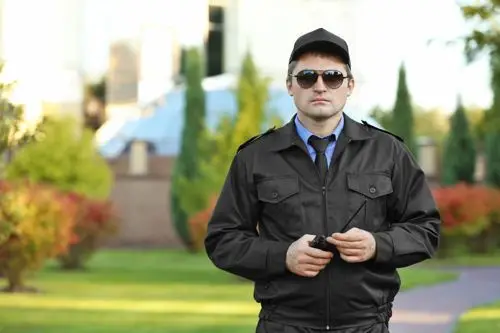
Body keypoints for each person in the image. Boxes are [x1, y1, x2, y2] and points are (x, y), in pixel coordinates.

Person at [204, 27, 441, 333]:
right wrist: (283, 256)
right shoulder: (256, 156)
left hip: (365, 326)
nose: (320, 86)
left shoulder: (388, 152)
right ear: (290, 85)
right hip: (284, 326)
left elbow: (426, 229)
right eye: (306, 77)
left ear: (349, 85)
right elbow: (222, 240)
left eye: (332, 76)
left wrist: (376, 245)